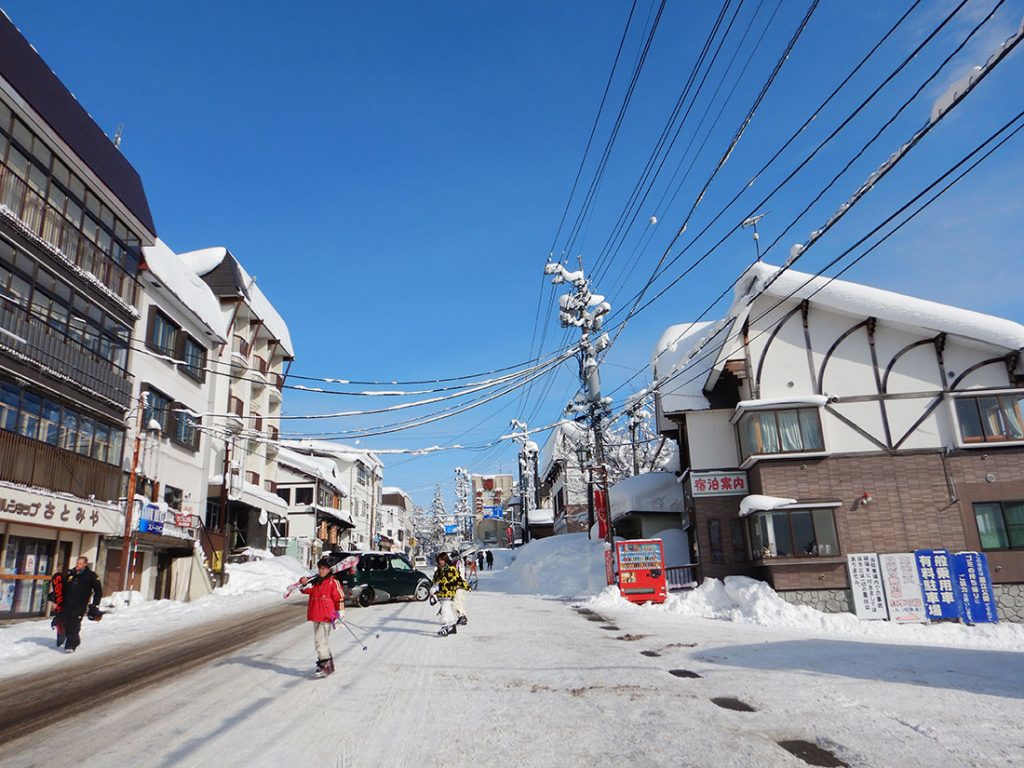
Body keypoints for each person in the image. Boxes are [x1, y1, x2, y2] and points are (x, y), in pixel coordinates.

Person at [300, 557, 343, 678]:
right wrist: (303, 583)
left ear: (329, 570)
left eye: (324, 568)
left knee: (320, 642)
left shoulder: (332, 582)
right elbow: (306, 590)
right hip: (316, 615)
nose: (321, 571)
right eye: (320, 568)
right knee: (321, 642)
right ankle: (328, 664)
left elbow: (339, 597)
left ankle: (325, 666)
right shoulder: (316, 582)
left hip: (327, 616)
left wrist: (340, 613)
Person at [58, 556, 102, 653]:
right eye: (77, 563)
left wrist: (95, 604)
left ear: (85, 564)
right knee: (66, 623)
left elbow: (98, 591)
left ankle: (70, 645)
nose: (78, 565)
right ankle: (75, 640)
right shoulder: (70, 574)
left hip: (80, 605)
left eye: (80, 563)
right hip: (67, 604)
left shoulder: (91, 576)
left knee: (74, 623)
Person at [431, 552, 469, 637]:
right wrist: (433, 592)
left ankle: (446, 626)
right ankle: (452, 626)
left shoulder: (452, 568)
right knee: (448, 609)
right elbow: (435, 582)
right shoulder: (438, 570)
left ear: (446, 560)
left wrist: (465, 586)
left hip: (450, 592)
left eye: (442, 560)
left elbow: (458, 578)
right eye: (439, 560)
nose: (441, 562)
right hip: (441, 594)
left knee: (446, 609)